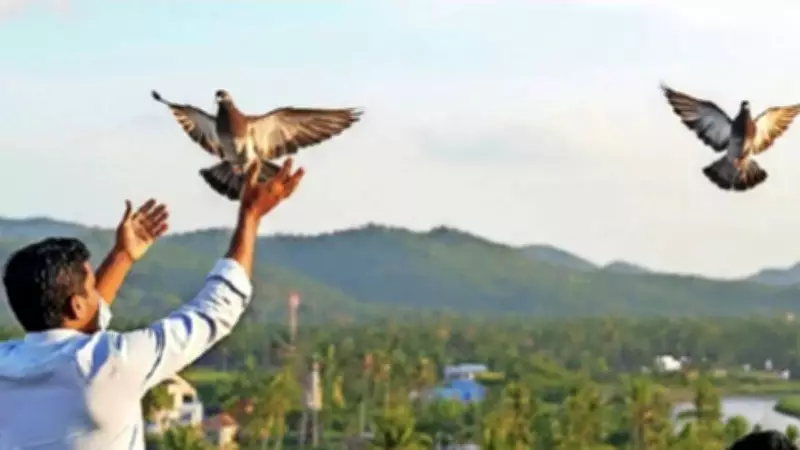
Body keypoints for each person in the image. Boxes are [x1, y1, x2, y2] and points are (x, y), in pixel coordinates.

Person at [0, 158, 305, 450]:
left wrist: (122, 256)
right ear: (76, 306)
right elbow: (217, 308)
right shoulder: (111, 363)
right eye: (93, 287)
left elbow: (79, 325)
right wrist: (250, 216)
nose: (99, 294)